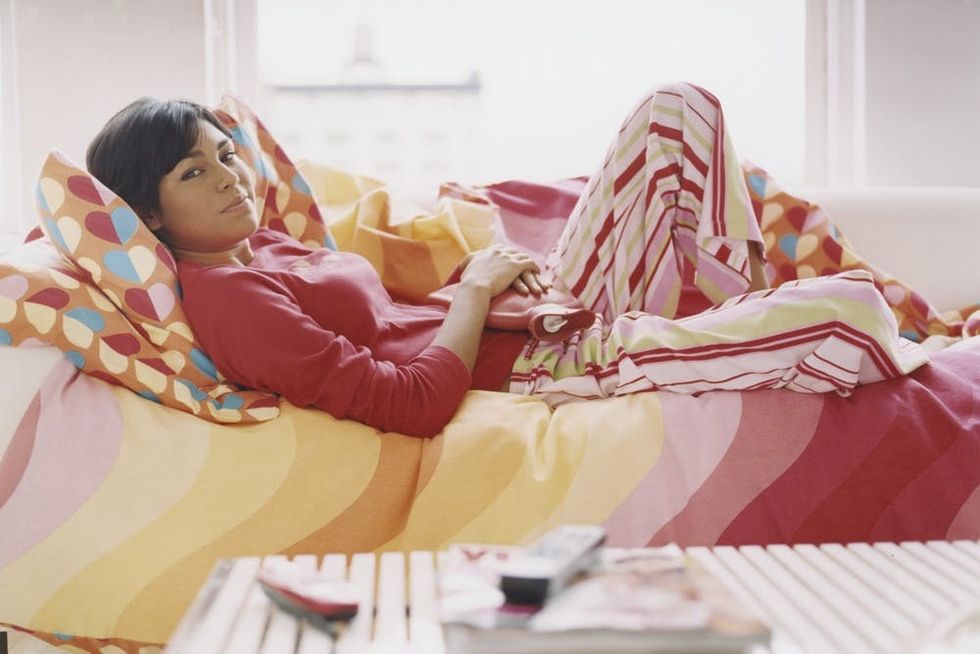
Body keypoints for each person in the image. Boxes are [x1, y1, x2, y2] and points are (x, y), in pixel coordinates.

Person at [86, 82, 928, 437]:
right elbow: (408, 402)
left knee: (678, 112)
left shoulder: (261, 243)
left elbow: (394, 321)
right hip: (538, 366)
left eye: (226, 154)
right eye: (193, 173)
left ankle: (731, 316)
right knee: (854, 308)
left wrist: (483, 278)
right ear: (148, 211)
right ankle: (738, 330)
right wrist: (475, 297)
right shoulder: (227, 300)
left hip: (534, 314)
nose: (229, 177)